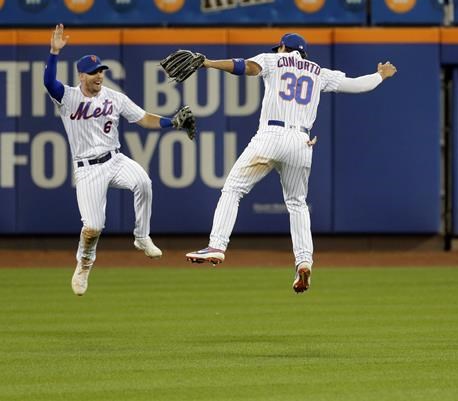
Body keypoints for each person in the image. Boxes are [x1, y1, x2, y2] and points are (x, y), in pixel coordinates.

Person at [184, 32, 397, 293]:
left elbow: (245, 67)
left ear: (284, 47)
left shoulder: (274, 59)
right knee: (297, 204)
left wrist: (208, 63)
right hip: (301, 141)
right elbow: (358, 85)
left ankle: (217, 245)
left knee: (233, 189)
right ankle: (304, 261)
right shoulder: (319, 72)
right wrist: (381, 75)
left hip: (271, 136)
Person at [45, 24, 194, 296]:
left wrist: (172, 122)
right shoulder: (68, 97)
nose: (99, 75)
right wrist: (54, 53)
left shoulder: (115, 97)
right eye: (94, 72)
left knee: (143, 182)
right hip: (87, 169)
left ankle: (141, 237)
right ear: (81, 76)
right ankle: (84, 263)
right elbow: (49, 83)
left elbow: (144, 118)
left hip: (115, 159)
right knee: (93, 228)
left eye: (102, 70)